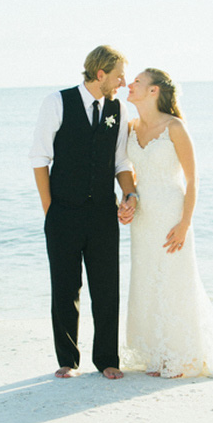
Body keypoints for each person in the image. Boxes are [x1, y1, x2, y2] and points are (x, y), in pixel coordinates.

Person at [121, 68, 213, 378]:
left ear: (154, 91)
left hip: (172, 214)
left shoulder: (175, 127)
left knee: (174, 281)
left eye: (138, 82)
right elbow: (126, 169)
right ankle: (158, 353)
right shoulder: (130, 127)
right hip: (144, 219)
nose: (130, 84)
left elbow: (193, 179)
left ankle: (182, 355)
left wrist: (185, 223)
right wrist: (128, 197)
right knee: (146, 280)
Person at [29, 46, 137, 380]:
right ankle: (67, 360)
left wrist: (129, 192)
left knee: (106, 287)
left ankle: (107, 359)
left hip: (103, 214)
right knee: (65, 287)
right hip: (62, 213)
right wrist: (51, 211)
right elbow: (39, 158)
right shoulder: (57, 102)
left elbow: (121, 161)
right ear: (101, 74)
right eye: (119, 74)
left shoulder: (117, 110)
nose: (123, 81)